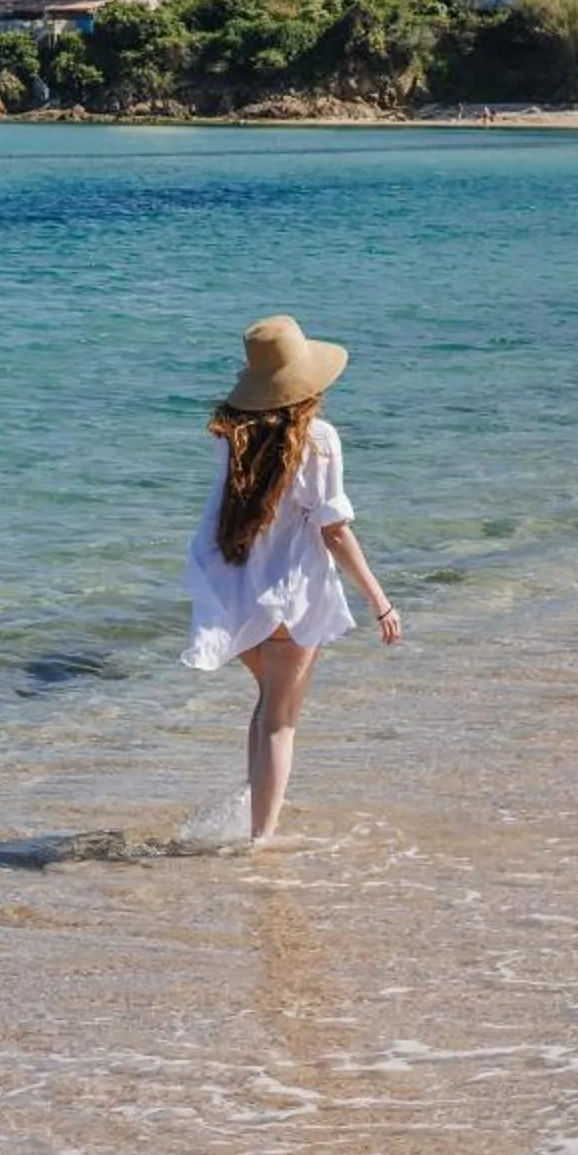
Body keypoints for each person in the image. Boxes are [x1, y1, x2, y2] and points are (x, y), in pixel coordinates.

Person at [182, 316, 402, 843]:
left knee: (266, 708)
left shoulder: (230, 437)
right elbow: (334, 532)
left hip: (235, 591)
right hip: (291, 594)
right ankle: (262, 841)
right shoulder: (319, 439)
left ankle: (253, 806)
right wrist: (380, 601)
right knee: (281, 721)